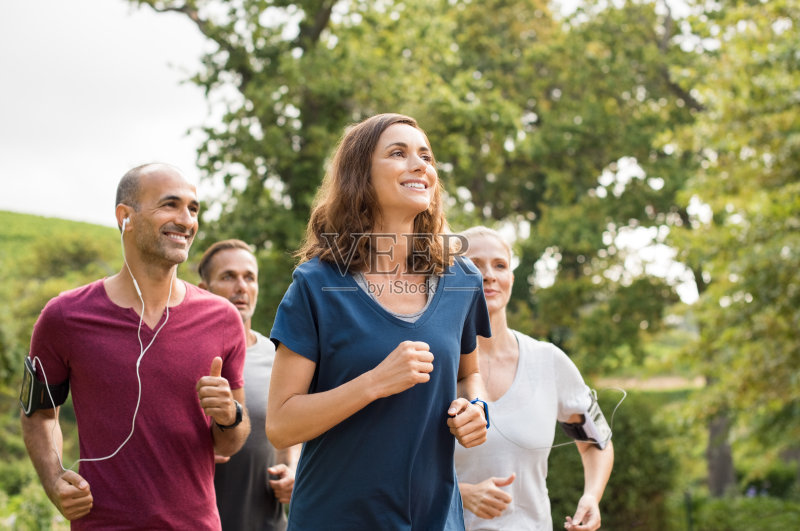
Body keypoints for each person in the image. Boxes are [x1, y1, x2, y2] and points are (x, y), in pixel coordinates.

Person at [265, 113, 492, 530]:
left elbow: (468, 375)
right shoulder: (317, 285)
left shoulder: (462, 280)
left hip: (436, 519)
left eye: (426, 155)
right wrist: (374, 383)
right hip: (336, 518)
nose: (420, 164)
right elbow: (281, 425)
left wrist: (476, 408)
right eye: (398, 153)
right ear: (361, 177)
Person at [19, 163, 251, 529]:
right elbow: (39, 415)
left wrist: (229, 416)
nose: (186, 220)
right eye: (170, 205)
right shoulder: (64, 317)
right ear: (125, 217)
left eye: (193, 209)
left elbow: (227, 445)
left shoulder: (222, 319)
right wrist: (54, 478)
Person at [453, 226, 614, 531]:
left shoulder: (548, 361)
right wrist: (461, 495)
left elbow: (596, 441)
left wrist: (591, 496)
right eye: (474, 266)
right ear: (450, 281)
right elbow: (391, 471)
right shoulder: (430, 367)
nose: (489, 275)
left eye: (499, 265)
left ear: (511, 279)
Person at [198, 239, 300, 531]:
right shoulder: (185, 356)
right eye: (228, 277)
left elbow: (293, 429)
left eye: (249, 277)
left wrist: (292, 468)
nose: (241, 287)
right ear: (204, 289)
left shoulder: (278, 355)